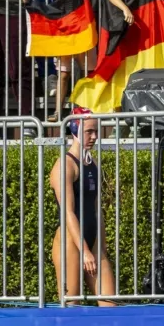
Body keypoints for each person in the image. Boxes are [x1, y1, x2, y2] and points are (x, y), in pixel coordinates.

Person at [50, 111, 115, 304]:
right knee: (72, 306)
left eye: (96, 131)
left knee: (111, 307)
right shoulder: (65, 166)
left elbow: (96, 209)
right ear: (76, 130)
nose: (95, 136)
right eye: (89, 132)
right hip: (70, 242)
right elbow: (68, 212)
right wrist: (84, 250)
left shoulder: (93, 163)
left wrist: (100, 246)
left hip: (91, 241)